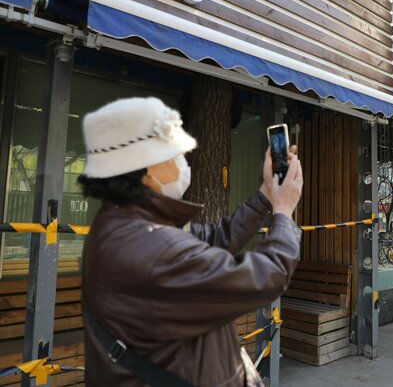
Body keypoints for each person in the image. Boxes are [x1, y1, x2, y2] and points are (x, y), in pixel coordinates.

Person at [77, 97, 303, 386]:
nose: (184, 161)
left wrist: (265, 197)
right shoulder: (149, 248)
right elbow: (267, 275)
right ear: (145, 168)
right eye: (175, 153)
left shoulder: (124, 225)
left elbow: (215, 239)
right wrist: (283, 211)